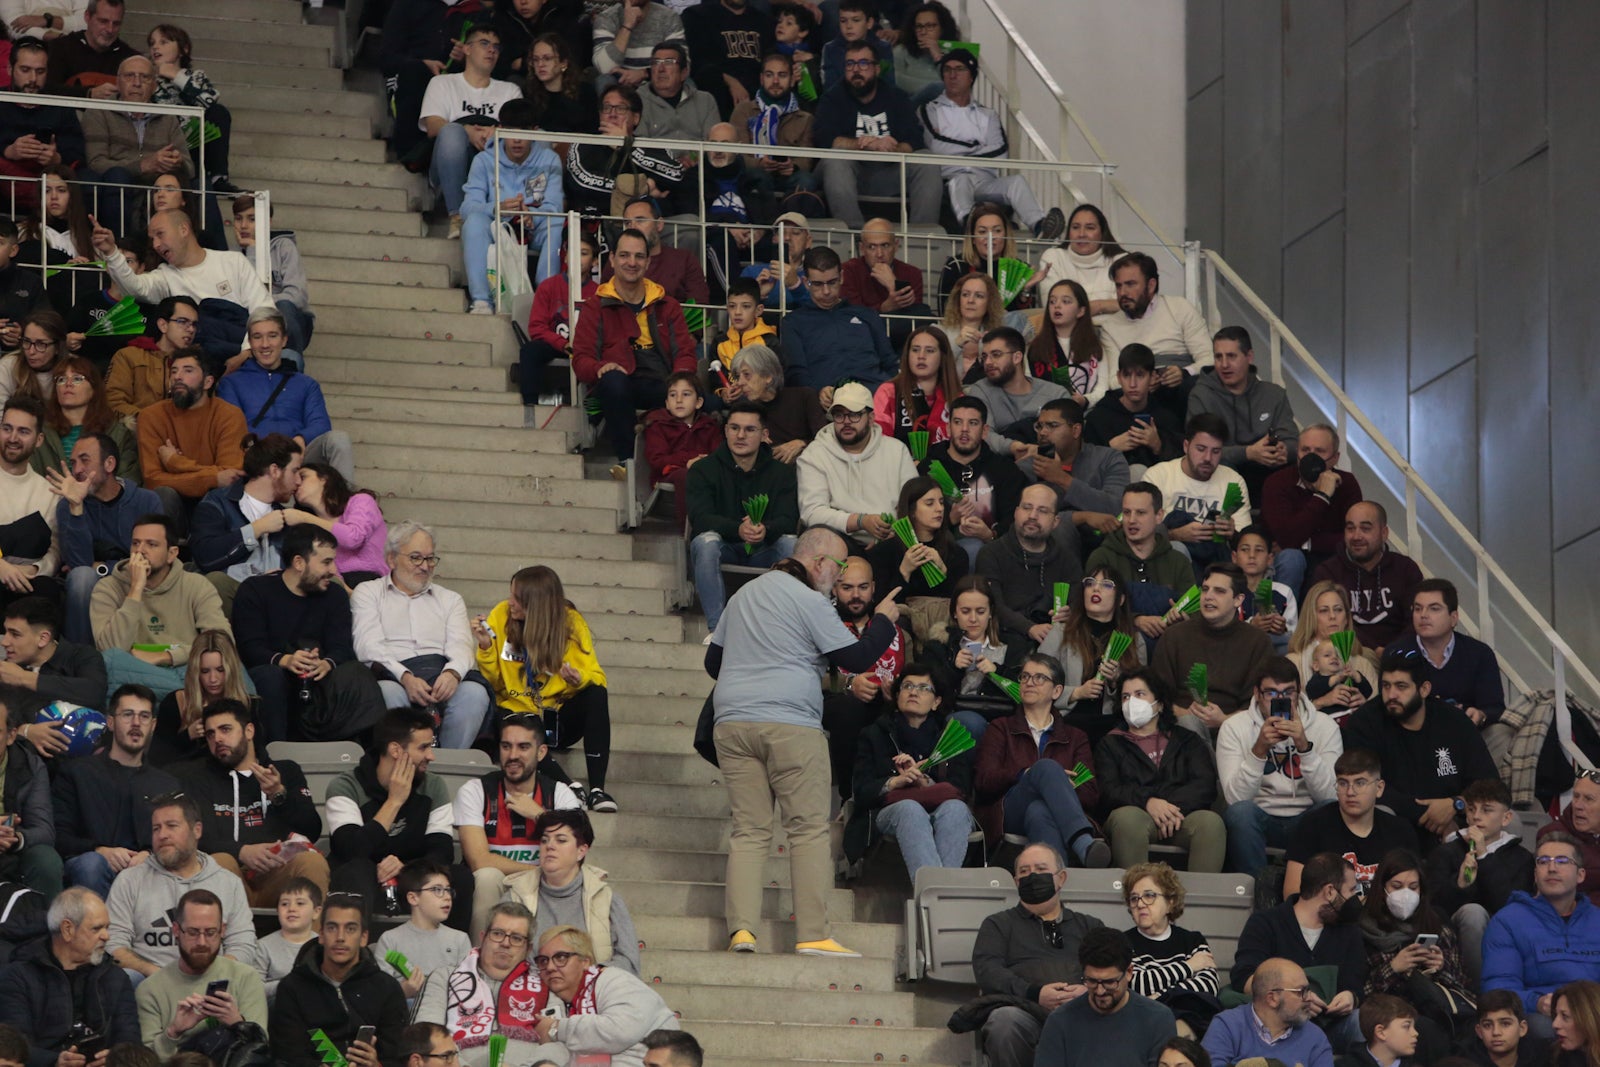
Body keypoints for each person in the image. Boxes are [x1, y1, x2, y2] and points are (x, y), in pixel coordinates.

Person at [706, 525, 903, 957]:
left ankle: (742, 931)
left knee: (750, 832)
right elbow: (855, 657)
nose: (838, 577)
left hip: (733, 724)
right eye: (838, 567)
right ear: (817, 563)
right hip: (790, 725)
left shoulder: (742, 596)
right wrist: (884, 620)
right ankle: (813, 934)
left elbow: (712, 661)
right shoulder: (810, 599)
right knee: (809, 830)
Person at [471, 565, 614, 810]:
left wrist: (579, 679)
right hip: (517, 713)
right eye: (511, 594)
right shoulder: (501, 616)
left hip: (555, 718)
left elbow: (597, 676)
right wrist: (485, 649)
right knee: (507, 718)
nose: (510, 602)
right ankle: (570, 787)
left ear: (535, 605)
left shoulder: (570, 623)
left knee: (597, 694)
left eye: (517, 598)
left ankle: (598, 790)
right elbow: (494, 685)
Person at [231, 525, 388, 745]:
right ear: (298, 563)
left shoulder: (334, 595)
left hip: (321, 681)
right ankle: (277, 756)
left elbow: (342, 647)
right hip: (275, 675)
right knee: (270, 677)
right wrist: (286, 660)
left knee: (357, 673)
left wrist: (326, 664)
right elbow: (249, 647)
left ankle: (365, 757)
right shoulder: (256, 590)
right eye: (326, 562)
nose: (334, 570)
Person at [326, 708, 473, 929]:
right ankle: (358, 957)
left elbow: (442, 851)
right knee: (357, 870)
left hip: (413, 880)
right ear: (396, 749)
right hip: (363, 881)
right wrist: (394, 802)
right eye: (423, 748)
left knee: (460, 876)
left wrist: (405, 867)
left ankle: (452, 954)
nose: (431, 756)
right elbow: (350, 850)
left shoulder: (433, 785)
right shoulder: (345, 786)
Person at [351, 522, 492, 750]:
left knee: (474, 693)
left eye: (430, 558)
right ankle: (403, 763)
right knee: (387, 692)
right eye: (416, 558)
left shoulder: (450, 599)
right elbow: (368, 647)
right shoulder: (368, 593)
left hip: (439, 673)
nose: (425, 566)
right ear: (391, 559)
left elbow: (462, 646)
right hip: (392, 674)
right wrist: (404, 676)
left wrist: (453, 674)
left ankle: (447, 765)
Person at [175, 699, 328, 906]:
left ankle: (311, 939)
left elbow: (312, 829)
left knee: (312, 862)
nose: (217, 739)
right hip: (231, 873)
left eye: (225, 729)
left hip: (279, 875)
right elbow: (197, 837)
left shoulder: (285, 770)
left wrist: (278, 795)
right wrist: (242, 852)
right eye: (210, 734)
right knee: (220, 861)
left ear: (248, 731)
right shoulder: (199, 777)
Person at [970, 843, 1106, 1067]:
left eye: (1041, 869)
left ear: (1061, 878)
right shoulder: (998, 924)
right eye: (1024, 872)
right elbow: (988, 971)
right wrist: (1035, 993)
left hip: (1083, 1011)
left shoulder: (1090, 926)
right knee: (1004, 1023)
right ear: (1016, 882)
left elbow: (1109, 968)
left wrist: (1088, 990)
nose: (1032, 876)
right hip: (1024, 1010)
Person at [1342, 652, 1498, 848]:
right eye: (1386, 686)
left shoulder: (1454, 721)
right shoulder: (1365, 722)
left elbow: (1489, 780)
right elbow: (1362, 784)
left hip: (1456, 817)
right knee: (1380, 813)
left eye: (1401, 686)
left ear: (1424, 689)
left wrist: (1456, 804)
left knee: (1506, 819)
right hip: (1398, 819)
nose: (1391, 695)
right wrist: (1431, 814)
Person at [571, 227, 696, 466]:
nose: (632, 262)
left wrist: (681, 381)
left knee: (701, 399)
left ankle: (682, 462)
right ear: (612, 259)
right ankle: (627, 460)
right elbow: (581, 359)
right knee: (614, 383)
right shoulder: (595, 306)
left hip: (661, 378)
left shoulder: (666, 304)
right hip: (620, 377)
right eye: (625, 255)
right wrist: (601, 367)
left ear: (648, 262)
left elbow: (684, 352)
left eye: (639, 256)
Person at [973, 652, 1109, 866]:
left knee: (1039, 811)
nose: (1029, 683)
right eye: (1025, 677)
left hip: (1050, 814)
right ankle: (1083, 842)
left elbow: (1091, 793)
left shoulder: (1075, 737)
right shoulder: (1001, 728)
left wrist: (1055, 789)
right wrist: (1025, 774)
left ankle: (1053, 883)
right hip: (1009, 811)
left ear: (1057, 691)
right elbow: (984, 781)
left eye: (1039, 678)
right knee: (1045, 768)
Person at [89, 210, 274, 368]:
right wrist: (111, 253)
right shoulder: (165, 276)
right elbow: (134, 288)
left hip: (246, 350)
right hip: (199, 361)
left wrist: (247, 352)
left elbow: (263, 309)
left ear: (184, 229)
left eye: (160, 234)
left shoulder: (233, 262)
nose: (156, 245)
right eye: (152, 239)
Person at [454, 713, 583, 938]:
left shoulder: (560, 794)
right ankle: (480, 963)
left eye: (523, 747)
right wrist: (539, 872)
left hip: (545, 889)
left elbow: (572, 857)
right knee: (487, 877)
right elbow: (479, 861)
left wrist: (540, 817)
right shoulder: (476, 791)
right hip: (504, 884)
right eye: (506, 746)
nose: (513, 755)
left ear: (541, 752)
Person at [105, 791, 257, 980]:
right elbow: (113, 944)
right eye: (156, 828)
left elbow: (243, 944)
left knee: (250, 980)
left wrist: (215, 977)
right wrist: (155, 974)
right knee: (124, 977)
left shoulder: (228, 883)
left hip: (211, 982)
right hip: (150, 983)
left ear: (197, 830)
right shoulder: (130, 880)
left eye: (171, 826)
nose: (162, 835)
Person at [1215, 658, 1345, 877]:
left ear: (1299, 691)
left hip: (1306, 817)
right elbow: (1235, 799)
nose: (1281, 700)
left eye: (1288, 693)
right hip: (1260, 817)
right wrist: (1258, 750)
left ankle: (1315, 891)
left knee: (1331, 809)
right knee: (1240, 813)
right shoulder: (1234, 728)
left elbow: (1331, 794)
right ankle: (1258, 892)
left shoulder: (1325, 726)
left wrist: (1304, 747)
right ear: (1257, 693)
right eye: (1272, 694)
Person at [848, 663, 975, 881]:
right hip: (887, 812)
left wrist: (924, 781)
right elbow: (861, 792)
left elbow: (961, 788)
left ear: (936, 702)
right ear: (897, 696)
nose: (914, 692)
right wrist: (896, 781)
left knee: (956, 809)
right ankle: (941, 896)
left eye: (924, 688)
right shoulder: (874, 734)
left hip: (940, 808)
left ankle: (935, 897)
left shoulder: (951, 738)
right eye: (907, 686)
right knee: (910, 809)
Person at [919, 49, 1062, 239]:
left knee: (1016, 182)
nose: (952, 75)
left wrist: (957, 153)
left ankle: (1039, 225)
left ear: (971, 77)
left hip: (986, 181)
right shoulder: (929, 109)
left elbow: (999, 153)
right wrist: (977, 145)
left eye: (959, 69)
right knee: (960, 181)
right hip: (952, 178)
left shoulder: (988, 115)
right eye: (947, 69)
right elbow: (936, 146)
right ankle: (970, 227)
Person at [51, 683, 177, 896]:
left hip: (147, 867)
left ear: (153, 725)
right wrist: (99, 851)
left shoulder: (167, 784)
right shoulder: (77, 772)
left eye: (144, 716)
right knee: (92, 865)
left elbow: (178, 837)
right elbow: (58, 834)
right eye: (128, 714)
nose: (136, 723)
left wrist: (149, 855)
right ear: (110, 721)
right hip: (91, 863)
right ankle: (96, 928)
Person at [687, 401, 800, 635]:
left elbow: (789, 519)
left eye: (750, 430)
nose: (740, 435)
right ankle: (717, 631)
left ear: (764, 435)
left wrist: (765, 529)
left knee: (791, 543)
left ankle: (786, 629)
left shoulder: (782, 473)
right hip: (725, 545)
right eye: (734, 428)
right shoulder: (703, 469)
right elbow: (700, 519)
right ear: (726, 430)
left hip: (765, 548)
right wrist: (737, 529)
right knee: (704, 542)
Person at [1232, 853, 1366, 1047]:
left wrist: (1350, 997)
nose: (1355, 898)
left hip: (1330, 1025)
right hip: (1276, 1023)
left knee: (1361, 1022)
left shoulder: (1349, 931)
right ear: (1330, 892)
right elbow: (1244, 977)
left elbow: (1356, 982)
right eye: (1351, 890)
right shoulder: (1266, 923)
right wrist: (1293, 998)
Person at [91, 513, 230, 701]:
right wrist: (135, 590)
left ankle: (178, 695)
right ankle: (181, 696)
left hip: (188, 670)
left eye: (151, 544)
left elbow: (223, 642)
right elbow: (110, 651)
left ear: (172, 554)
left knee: (235, 672)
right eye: (135, 543)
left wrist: (166, 657)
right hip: (136, 677)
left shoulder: (196, 585)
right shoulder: (108, 588)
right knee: (111, 665)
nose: (140, 551)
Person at [1096, 668, 1224, 872]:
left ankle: (1200, 902)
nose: (1132, 702)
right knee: (1127, 819)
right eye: (1126, 697)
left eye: (1140, 694)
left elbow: (1204, 785)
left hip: (1180, 816)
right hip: (1135, 816)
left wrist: (1168, 808)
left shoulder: (1188, 740)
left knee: (1210, 823)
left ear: (1160, 704)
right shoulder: (1111, 744)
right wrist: (1148, 802)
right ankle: (1137, 896)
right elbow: (1109, 791)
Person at [0, 886, 138, 1067]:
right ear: (67, 929)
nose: (106, 936)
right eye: (97, 929)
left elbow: (131, 1041)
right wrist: (54, 1062)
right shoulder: (17, 977)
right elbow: (13, 1047)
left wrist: (116, 1058)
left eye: (107, 927)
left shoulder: (115, 977)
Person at [811, 40, 941, 228]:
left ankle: (922, 238)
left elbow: (914, 139)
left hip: (888, 171)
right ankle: (855, 236)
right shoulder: (832, 98)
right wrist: (864, 144)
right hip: (848, 174)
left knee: (927, 161)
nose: (856, 70)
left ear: (877, 69)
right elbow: (824, 140)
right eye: (850, 64)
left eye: (863, 63)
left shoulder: (896, 97)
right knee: (835, 160)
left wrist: (894, 148)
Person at [1482, 833, 1600, 1040]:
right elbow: (1497, 989)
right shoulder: (1508, 921)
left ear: (1580, 875)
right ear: (1535, 875)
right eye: (1543, 861)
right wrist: (1537, 1002)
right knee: (1542, 1028)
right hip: (1543, 1016)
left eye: (1562, 861)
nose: (1552, 868)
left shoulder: (1597, 920)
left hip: (1593, 1012)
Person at [269, 892, 407, 1067]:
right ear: (321, 935)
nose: (340, 937)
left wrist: (376, 1065)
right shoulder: (292, 988)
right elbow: (286, 1055)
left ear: (364, 938)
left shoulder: (387, 988)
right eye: (332, 927)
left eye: (350, 929)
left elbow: (399, 1057)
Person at [1357, 849, 1472, 1055]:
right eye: (1397, 886)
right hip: (1389, 1016)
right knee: (1426, 1032)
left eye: (1413, 887)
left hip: (1435, 1011)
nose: (1405, 894)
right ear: (1381, 889)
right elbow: (1361, 994)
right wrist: (1394, 968)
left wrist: (1439, 968)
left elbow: (1462, 992)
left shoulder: (1438, 927)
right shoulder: (1364, 931)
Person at [215, 311, 353, 480]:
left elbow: (320, 423)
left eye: (272, 336)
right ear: (250, 342)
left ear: (284, 340)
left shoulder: (306, 383)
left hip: (300, 454)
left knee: (338, 439)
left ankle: (351, 504)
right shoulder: (231, 383)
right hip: (258, 455)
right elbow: (232, 427)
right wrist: (267, 448)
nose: (265, 344)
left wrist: (301, 439)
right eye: (257, 337)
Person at [134, 888, 268, 1058]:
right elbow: (148, 1061)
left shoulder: (245, 977)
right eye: (193, 932)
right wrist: (174, 1031)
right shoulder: (150, 990)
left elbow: (260, 1051)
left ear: (222, 930)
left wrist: (237, 1023)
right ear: (176, 930)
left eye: (211, 932)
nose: (202, 942)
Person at [503, 808, 640, 973]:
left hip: (592, 990)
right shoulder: (515, 896)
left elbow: (629, 962)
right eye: (544, 840)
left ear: (581, 851)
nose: (550, 846)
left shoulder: (607, 900)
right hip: (531, 990)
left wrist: (591, 977)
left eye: (560, 840)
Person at [461, 101, 566, 315]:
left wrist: (532, 215)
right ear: (500, 129)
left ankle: (546, 300)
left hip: (533, 227)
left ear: (535, 131)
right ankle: (481, 301)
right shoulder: (483, 160)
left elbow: (554, 206)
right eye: (511, 132)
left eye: (524, 132)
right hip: (498, 226)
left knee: (554, 221)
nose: (517, 140)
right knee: (473, 221)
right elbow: (467, 207)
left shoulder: (549, 159)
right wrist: (497, 208)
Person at [418, 25, 523, 236]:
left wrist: (497, 132)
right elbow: (432, 125)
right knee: (451, 133)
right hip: (449, 167)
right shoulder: (442, 83)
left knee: (511, 137)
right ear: (466, 49)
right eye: (484, 44)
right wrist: (466, 131)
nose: (491, 50)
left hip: (492, 169)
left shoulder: (510, 90)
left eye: (496, 47)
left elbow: (520, 131)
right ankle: (457, 217)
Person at [1427, 777, 1534, 985]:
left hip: (1505, 935)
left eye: (1486, 810)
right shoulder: (1445, 853)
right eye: (1471, 809)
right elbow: (1434, 908)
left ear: (1506, 818)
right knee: (1472, 912)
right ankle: (1480, 992)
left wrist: (1484, 857)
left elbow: (1511, 908)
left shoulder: (1522, 858)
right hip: (1454, 937)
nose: (1476, 817)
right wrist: (1459, 885)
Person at [823, 558, 912, 804]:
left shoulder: (897, 628)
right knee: (848, 707)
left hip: (885, 705)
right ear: (833, 589)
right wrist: (848, 683)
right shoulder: (822, 623)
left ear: (873, 587)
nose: (855, 595)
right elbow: (806, 675)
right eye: (846, 587)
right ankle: (849, 796)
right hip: (838, 704)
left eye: (863, 587)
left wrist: (896, 693)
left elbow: (913, 676)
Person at [528, 925, 680, 1067]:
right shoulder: (552, 1000)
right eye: (543, 961)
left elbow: (620, 1031)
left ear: (585, 961)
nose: (550, 967)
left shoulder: (616, 980)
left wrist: (556, 1028)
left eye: (561, 958)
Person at [412, 902, 541, 1067]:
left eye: (516, 938)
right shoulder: (444, 977)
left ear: (529, 948)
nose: (505, 943)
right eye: (497, 933)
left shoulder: (544, 984)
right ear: (482, 937)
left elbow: (557, 1043)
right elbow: (424, 1038)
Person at [795, 380, 919, 548]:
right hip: (838, 542)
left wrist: (892, 534)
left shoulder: (896, 450)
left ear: (871, 418)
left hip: (891, 539)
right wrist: (860, 521)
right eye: (839, 415)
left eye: (854, 414)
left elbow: (913, 503)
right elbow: (812, 513)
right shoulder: (815, 454)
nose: (846, 421)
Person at [1150, 563, 1276, 728]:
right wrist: (1186, 716)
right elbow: (1155, 695)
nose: (1208, 596)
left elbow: (1260, 703)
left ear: (1238, 599)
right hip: (1179, 727)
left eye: (1219, 591)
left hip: (1235, 728)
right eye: (1205, 589)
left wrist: (1224, 721)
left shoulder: (1257, 642)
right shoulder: (1174, 636)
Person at [1283, 748, 1420, 899]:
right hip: (1330, 919)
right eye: (1343, 783)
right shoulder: (1312, 826)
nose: (1350, 792)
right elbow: (1292, 894)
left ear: (1379, 788)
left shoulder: (1400, 830)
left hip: (1387, 919)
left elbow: (1416, 892)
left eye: (1360, 783)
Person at [81, 55, 193, 237]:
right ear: (118, 82)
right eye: (129, 76)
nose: (137, 83)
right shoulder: (99, 111)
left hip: (158, 187)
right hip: (116, 185)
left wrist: (178, 163)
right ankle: (120, 246)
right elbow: (96, 163)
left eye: (145, 77)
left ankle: (213, 254)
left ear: (154, 85)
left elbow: (190, 168)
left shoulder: (168, 117)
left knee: (203, 184)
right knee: (118, 175)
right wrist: (142, 165)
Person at [187, 433, 304, 608]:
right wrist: (256, 529)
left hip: (278, 601)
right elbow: (206, 557)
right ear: (274, 471)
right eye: (295, 471)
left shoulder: (288, 518)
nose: (299, 481)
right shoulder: (218, 503)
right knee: (216, 581)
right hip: (237, 597)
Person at [1033, 927, 1177, 1067]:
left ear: (1129, 972)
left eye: (1109, 982)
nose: (1100, 991)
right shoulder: (1060, 1021)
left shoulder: (1158, 1020)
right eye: (1092, 981)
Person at [133, 348, 248, 515]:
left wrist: (175, 462)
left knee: (225, 494)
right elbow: (153, 480)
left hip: (216, 502)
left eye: (188, 370)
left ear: (208, 382)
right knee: (162, 494)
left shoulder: (229, 415)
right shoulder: (150, 416)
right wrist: (212, 478)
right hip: (174, 502)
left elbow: (230, 477)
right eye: (174, 371)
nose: (177, 376)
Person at [1186, 326, 1296, 498]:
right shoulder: (1202, 395)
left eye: (1231, 356)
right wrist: (1249, 453)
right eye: (1218, 357)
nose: (1224, 365)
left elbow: (1293, 441)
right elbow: (1197, 450)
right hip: (1224, 470)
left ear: (1249, 357)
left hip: (1268, 469)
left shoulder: (1274, 394)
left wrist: (1283, 450)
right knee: (1225, 470)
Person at [1039, 567, 1148, 739]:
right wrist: (1077, 693)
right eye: (1090, 583)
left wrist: (1115, 681)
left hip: (1114, 723)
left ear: (1120, 599)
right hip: (1069, 721)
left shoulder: (1134, 640)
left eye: (1106, 585)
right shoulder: (1061, 632)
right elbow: (1037, 682)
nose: (1095, 588)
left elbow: (1143, 695)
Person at [1382, 578, 1506, 725]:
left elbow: (1495, 708)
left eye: (1434, 609)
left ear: (1453, 618)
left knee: (1501, 733)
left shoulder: (1479, 653)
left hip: (1468, 733)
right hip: (1412, 733)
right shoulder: (1396, 652)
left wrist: (1480, 715)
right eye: (1418, 609)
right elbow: (1387, 704)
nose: (1423, 615)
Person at [924, 394, 1028, 567]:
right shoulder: (929, 467)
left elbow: (1015, 518)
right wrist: (949, 519)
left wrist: (991, 534)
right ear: (948, 428)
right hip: (936, 548)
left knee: (974, 547)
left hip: (992, 551)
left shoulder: (1004, 469)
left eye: (972, 423)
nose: (964, 429)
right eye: (957, 422)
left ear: (985, 431)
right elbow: (914, 519)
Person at [972, 483, 1082, 643]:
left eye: (1042, 511)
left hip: (1053, 639)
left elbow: (1077, 604)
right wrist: (1029, 628)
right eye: (1027, 507)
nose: (1032, 515)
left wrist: (1070, 613)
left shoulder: (1067, 559)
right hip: (1004, 639)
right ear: (1016, 513)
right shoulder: (991, 553)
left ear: (1055, 521)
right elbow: (991, 606)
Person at [1085, 483, 1196, 640]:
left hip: (1167, 643)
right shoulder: (1102, 557)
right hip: (1115, 646)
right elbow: (1090, 610)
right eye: (1127, 512)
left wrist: (1180, 616)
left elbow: (1194, 612)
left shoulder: (1178, 561)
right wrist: (1135, 620)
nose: (1131, 520)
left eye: (1141, 513)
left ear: (1159, 516)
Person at [780, 247, 899, 394]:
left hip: (874, 395)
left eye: (832, 282)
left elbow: (889, 362)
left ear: (841, 277)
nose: (826, 291)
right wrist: (817, 393)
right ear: (805, 282)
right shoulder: (793, 323)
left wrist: (890, 395)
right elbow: (796, 373)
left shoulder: (867, 315)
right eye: (817, 284)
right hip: (828, 400)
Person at [1261, 424, 1363, 593]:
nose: (1311, 457)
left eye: (1319, 451)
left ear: (1335, 458)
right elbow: (1287, 539)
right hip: (1286, 560)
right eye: (1305, 450)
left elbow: (1352, 538)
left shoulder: (1347, 484)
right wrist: (1322, 496)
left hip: (1332, 558)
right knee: (1291, 558)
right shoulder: (1277, 482)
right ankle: (1281, 617)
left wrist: (1308, 543)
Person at [1311, 502, 1424, 650]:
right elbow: (1326, 623)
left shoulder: (1406, 569)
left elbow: (1416, 620)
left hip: (1400, 657)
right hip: (1347, 653)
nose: (1356, 536)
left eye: (1365, 528)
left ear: (1384, 533)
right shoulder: (1327, 572)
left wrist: (1393, 652)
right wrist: (1374, 650)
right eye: (1350, 528)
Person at [1121, 862, 1223, 1025]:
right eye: (1134, 898)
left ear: (1170, 902)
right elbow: (1138, 984)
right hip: (1145, 1023)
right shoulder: (1122, 942)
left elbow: (1208, 985)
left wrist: (1158, 997)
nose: (1140, 904)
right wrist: (1189, 966)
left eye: (1149, 896)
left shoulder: (1193, 940)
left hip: (1191, 1022)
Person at [1098, 253, 1214, 393]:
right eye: (1118, 286)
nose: (1122, 292)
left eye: (1130, 284)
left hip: (1182, 384)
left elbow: (1209, 358)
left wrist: (1184, 372)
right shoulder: (1110, 327)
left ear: (1151, 285)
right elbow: (1114, 380)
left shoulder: (1180, 308)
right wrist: (1143, 382)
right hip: (1139, 391)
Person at [1203, 956, 1335, 1067]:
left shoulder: (1315, 1038)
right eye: (1301, 992)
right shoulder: (1227, 1026)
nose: (1309, 998)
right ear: (1272, 998)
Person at [0, 39, 86, 204]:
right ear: (10, 69)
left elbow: (78, 152)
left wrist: (57, 159)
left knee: (86, 178)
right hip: (6, 180)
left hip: (50, 183)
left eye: (40, 71)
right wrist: (8, 151)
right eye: (25, 70)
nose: (33, 79)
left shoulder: (60, 105)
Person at [1028, 397, 1130, 534]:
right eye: (1039, 426)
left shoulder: (1109, 458)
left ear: (1076, 430)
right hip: (1051, 541)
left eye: (1052, 425)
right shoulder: (1028, 466)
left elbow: (1116, 508)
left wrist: (1063, 479)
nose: (1042, 433)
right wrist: (1081, 517)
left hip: (1101, 539)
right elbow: (1028, 518)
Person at [29, 355, 138, 484]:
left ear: (93, 389)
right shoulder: (38, 431)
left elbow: (127, 482)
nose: (68, 384)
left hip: (100, 502)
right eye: (61, 379)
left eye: (77, 379)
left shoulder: (117, 433)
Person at [964, 327, 1071, 457]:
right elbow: (983, 434)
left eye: (996, 355)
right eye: (984, 356)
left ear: (1017, 357)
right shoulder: (980, 390)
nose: (988, 362)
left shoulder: (1055, 394)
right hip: (1002, 462)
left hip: (1050, 461)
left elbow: (1069, 437)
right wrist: (1014, 447)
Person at [867, 475, 969, 608]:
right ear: (911, 510)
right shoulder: (883, 553)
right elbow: (880, 607)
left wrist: (943, 571)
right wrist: (904, 572)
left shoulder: (956, 554)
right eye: (930, 503)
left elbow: (959, 608)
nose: (939, 508)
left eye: (942, 502)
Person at [374, 862, 472, 999]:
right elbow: (381, 994)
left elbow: (467, 989)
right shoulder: (390, 939)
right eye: (437, 890)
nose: (447, 897)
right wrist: (403, 991)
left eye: (448, 890)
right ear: (413, 898)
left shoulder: (460, 939)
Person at [231, 196, 314, 355]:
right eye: (238, 218)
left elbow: (297, 295)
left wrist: (263, 302)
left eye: (252, 219)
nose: (243, 226)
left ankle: (290, 365)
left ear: (267, 222)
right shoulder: (232, 255)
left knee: (284, 306)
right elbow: (242, 296)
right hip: (252, 319)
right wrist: (251, 252)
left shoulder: (284, 247)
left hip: (289, 319)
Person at [151, 628, 247, 765]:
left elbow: (257, 757)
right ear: (195, 672)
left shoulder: (248, 704)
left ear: (231, 669)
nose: (213, 679)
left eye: (220, 670)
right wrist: (188, 736)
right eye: (205, 671)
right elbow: (157, 759)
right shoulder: (175, 702)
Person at [0, 683, 62, 897]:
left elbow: (44, 831)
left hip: (10, 852)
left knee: (46, 859)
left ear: (11, 735)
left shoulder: (30, 766)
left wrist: (15, 838)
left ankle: (41, 928)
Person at [0, 397, 59, 612]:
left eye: (23, 432)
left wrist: (35, 569)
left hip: (25, 582)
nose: (13, 438)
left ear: (39, 439)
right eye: (7, 428)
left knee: (46, 589)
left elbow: (55, 549)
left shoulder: (48, 492)